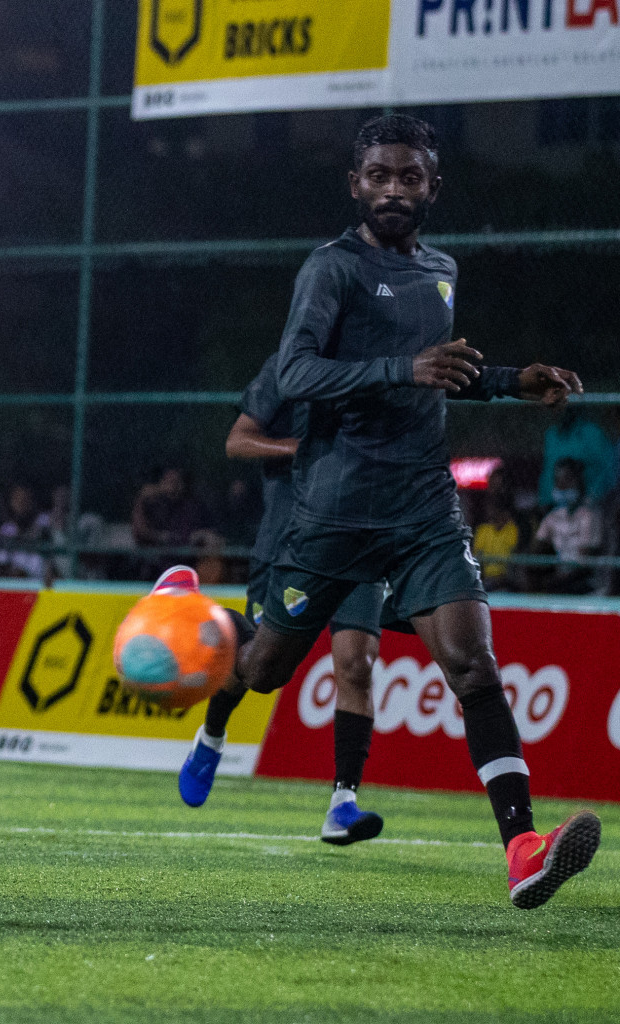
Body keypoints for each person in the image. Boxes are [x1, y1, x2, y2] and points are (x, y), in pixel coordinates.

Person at [213, 114, 598, 909]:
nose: (394, 188)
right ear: (355, 184)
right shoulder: (331, 269)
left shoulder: (442, 271)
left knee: (473, 666)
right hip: (331, 513)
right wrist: (402, 367)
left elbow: (441, 375)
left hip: (422, 507)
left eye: (410, 176)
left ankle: (523, 849)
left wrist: (506, 382)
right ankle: (204, 632)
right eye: (380, 175)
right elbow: (298, 371)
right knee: (263, 671)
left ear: (432, 187)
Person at [177, 353, 394, 845]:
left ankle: (342, 804)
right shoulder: (290, 366)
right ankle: (212, 732)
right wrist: (305, 449)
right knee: (259, 673)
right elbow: (237, 441)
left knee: (357, 664)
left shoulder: (386, 367)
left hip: (359, 541)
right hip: (290, 545)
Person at [531, 458, 602, 594]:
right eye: (558, 481)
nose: (562, 486)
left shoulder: (588, 515)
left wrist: (561, 577)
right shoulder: (552, 516)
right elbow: (536, 549)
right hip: (557, 578)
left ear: (579, 483)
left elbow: (584, 562)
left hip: (582, 581)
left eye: (567, 480)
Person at [538, 408, 612, 509]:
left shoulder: (592, 433)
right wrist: (544, 500)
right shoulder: (551, 435)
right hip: (553, 503)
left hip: (586, 503)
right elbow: (548, 470)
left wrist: (593, 497)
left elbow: (606, 470)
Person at [472, 482, 523, 593]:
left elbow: (512, 561)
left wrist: (501, 580)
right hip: (485, 582)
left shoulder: (511, 529)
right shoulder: (483, 530)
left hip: (505, 581)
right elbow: (478, 560)